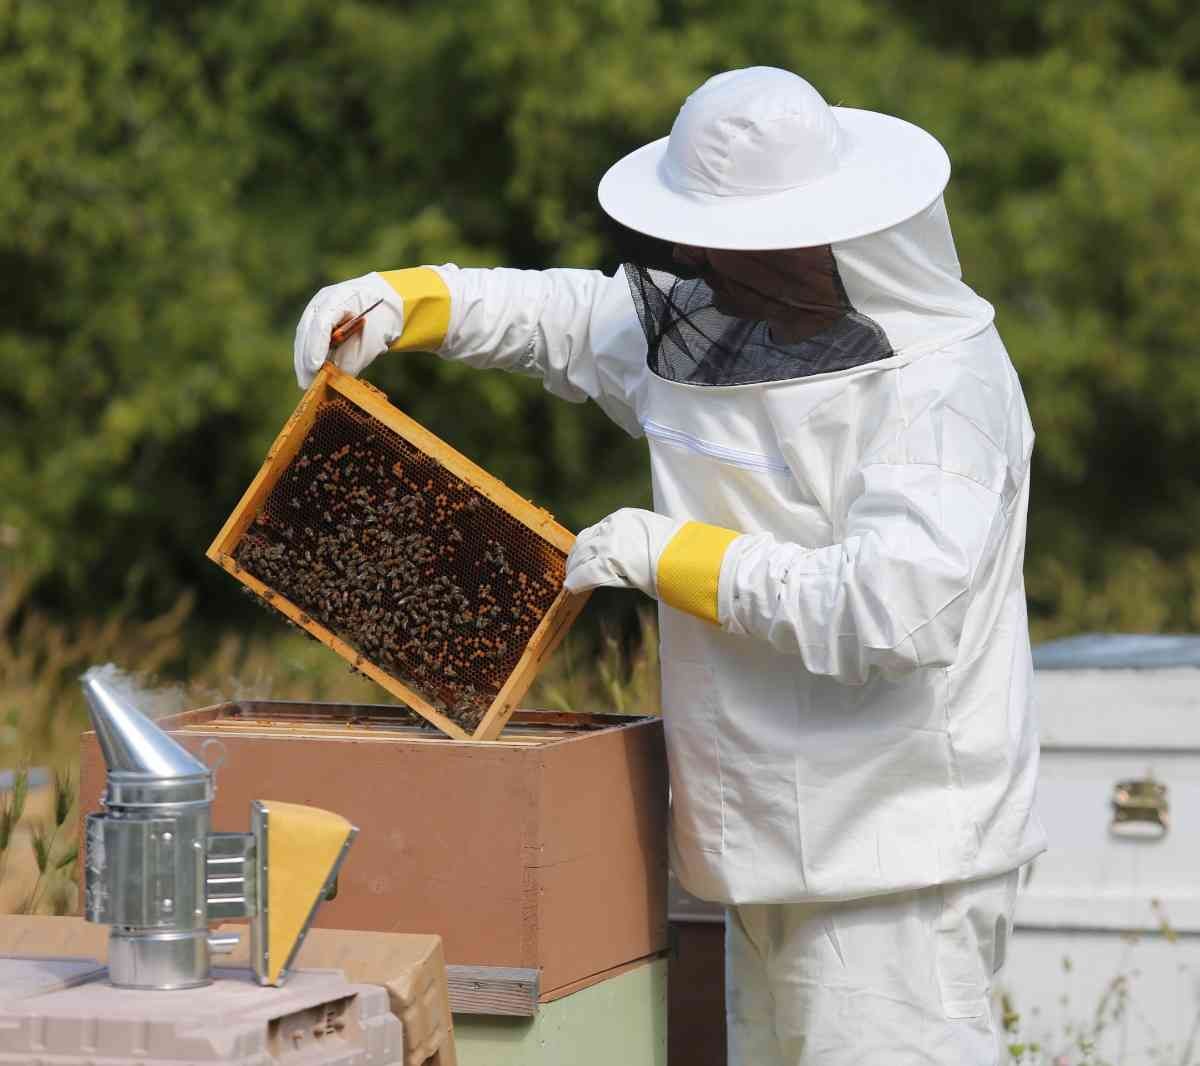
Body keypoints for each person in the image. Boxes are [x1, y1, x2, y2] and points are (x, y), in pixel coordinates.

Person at [292, 65, 1045, 1066]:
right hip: (767, 844)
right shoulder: (712, 330)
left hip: (892, 862)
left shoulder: (940, 391)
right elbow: (564, 316)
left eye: (727, 246)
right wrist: (413, 299)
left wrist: (675, 554)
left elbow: (894, 611)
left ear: (810, 236)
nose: (697, 265)